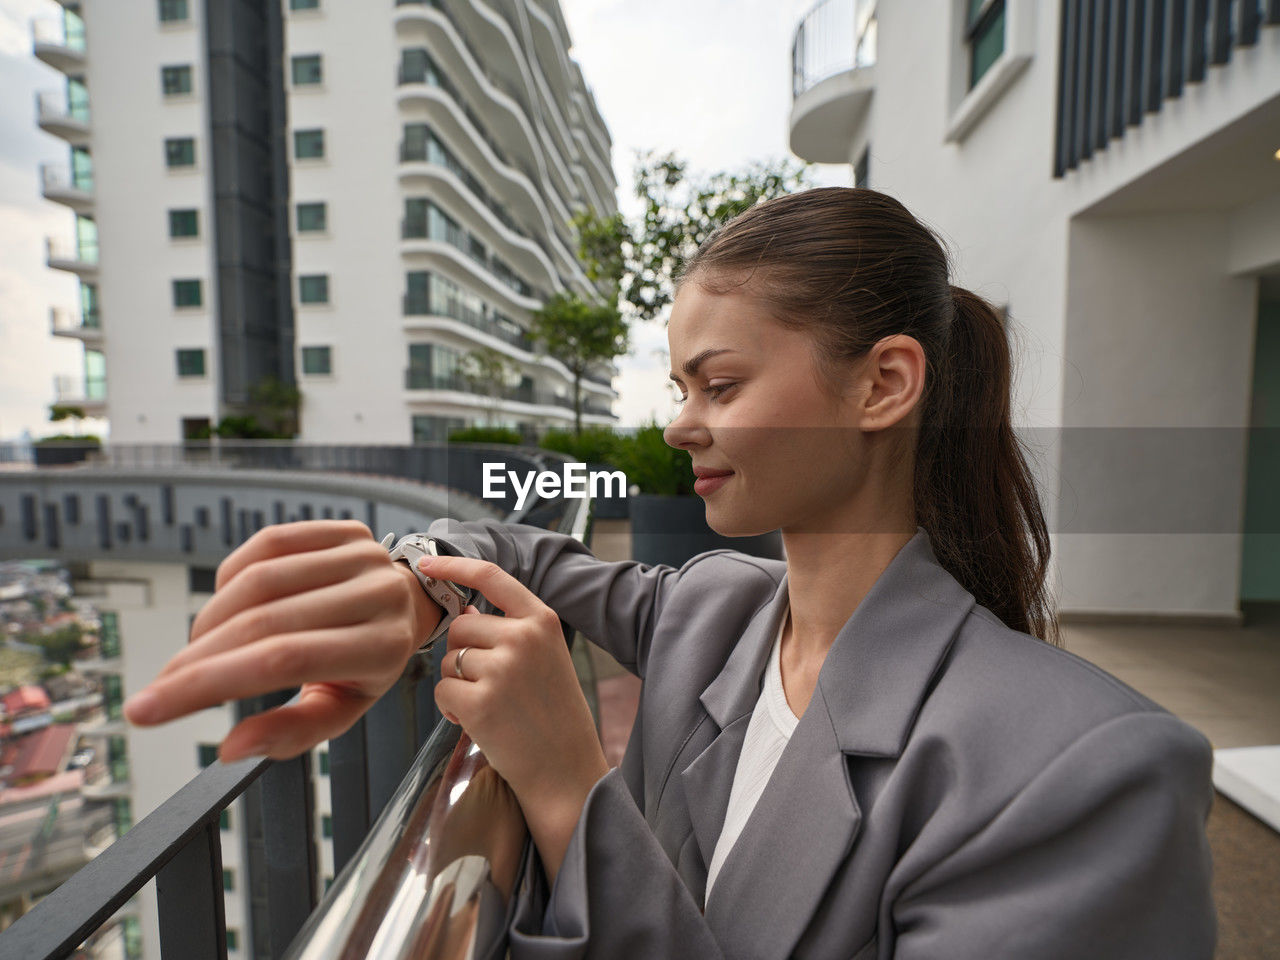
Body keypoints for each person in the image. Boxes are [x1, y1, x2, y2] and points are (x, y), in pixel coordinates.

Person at [123, 187, 1216, 959]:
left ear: (882, 384)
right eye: (678, 386)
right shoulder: (714, 609)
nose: (680, 425)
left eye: (717, 384)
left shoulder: (1087, 772)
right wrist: (412, 592)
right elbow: (519, 552)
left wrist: (562, 786)